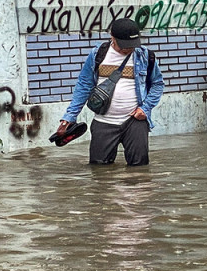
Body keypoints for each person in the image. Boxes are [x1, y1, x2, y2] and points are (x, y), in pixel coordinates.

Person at [55, 16, 164, 166]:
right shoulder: (98, 55)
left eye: (132, 45)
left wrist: (145, 108)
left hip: (135, 121)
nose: (129, 49)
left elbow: (157, 84)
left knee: (140, 171)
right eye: (124, 46)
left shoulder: (145, 56)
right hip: (103, 121)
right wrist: (69, 117)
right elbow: (84, 85)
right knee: (99, 171)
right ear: (113, 38)